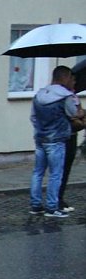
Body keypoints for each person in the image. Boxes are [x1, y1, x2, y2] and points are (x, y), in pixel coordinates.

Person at [29, 66, 84, 218]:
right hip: (57, 139)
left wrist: (40, 130)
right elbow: (74, 113)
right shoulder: (65, 96)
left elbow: (33, 117)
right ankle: (52, 208)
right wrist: (79, 109)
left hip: (40, 138)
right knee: (56, 174)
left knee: (38, 172)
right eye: (70, 77)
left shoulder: (39, 94)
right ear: (65, 77)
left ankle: (35, 205)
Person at [57, 72, 85, 213]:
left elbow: (80, 111)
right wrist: (79, 115)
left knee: (65, 169)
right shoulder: (62, 96)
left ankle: (59, 197)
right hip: (65, 136)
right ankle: (57, 199)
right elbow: (74, 115)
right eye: (72, 79)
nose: (74, 82)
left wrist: (79, 113)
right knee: (60, 170)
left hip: (73, 135)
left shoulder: (73, 96)